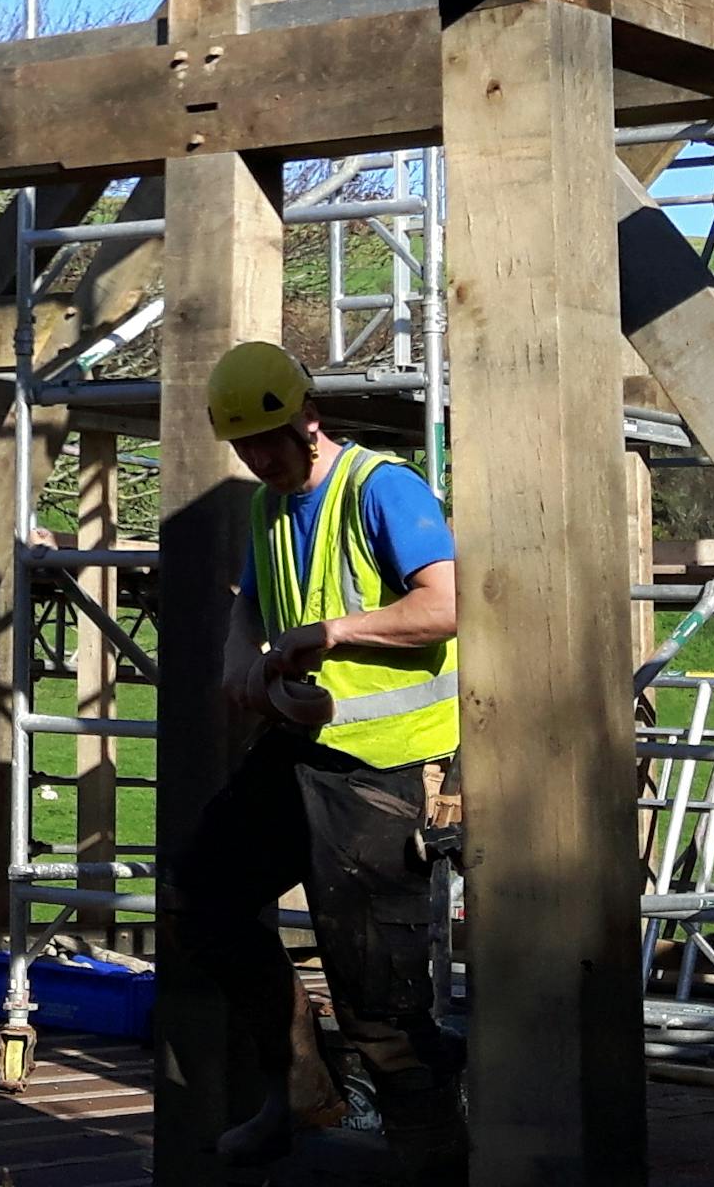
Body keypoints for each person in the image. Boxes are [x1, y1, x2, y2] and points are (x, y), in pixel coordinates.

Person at [177, 339, 466, 1181]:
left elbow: (445, 607)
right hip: (301, 749)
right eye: (245, 448)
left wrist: (333, 632)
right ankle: (301, 1089)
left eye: (272, 439)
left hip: (382, 766)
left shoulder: (382, 489)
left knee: (375, 991)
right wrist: (241, 660)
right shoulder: (271, 508)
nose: (261, 459)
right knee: (207, 895)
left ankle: (431, 1152)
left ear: (310, 417)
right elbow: (251, 603)